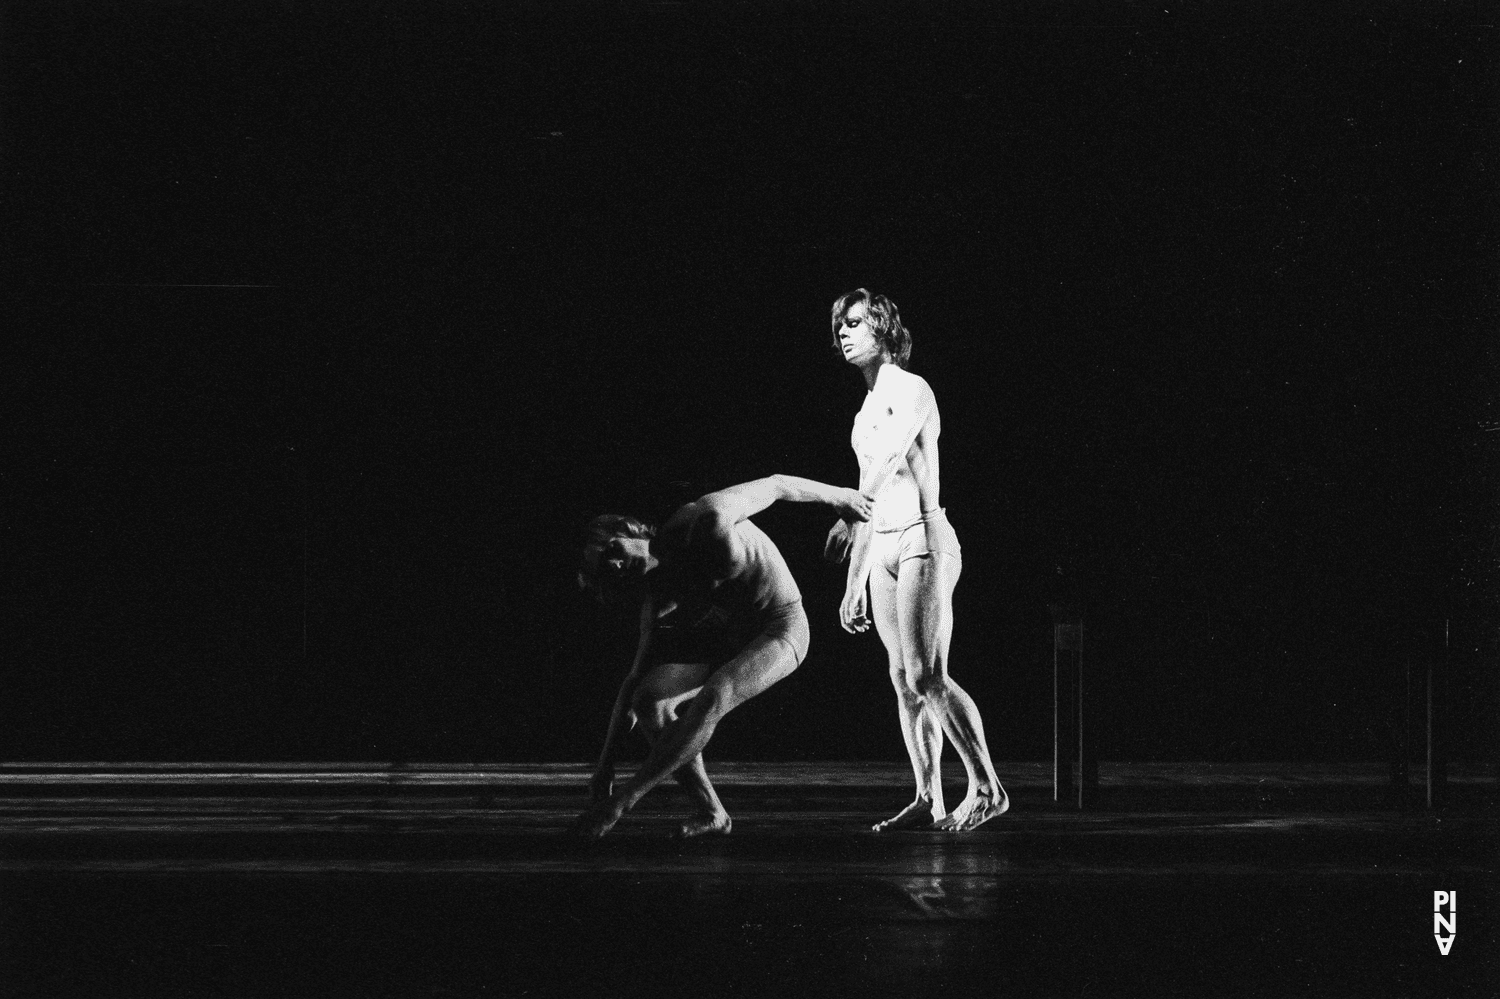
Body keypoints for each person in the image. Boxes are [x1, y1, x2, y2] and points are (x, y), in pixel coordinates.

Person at [572, 474, 873, 839]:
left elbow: (776, 485)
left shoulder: (704, 519)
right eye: (607, 568)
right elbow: (632, 681)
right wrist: (604, 768)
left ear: (630, 530)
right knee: (648, 699)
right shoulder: (661, 597)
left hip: (782, 628)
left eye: (612, 550)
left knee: (716, 694)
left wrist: (838, 496)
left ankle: (622, 804)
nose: (616, 564)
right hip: (733, 644)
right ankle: (712, 812)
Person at [824, 289, 1009, 832]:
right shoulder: (860, 414)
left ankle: (987, 787)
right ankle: (929, 797)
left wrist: (844, 506)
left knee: (929, 674)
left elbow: (885, 465)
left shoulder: (912, 388)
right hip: (881, 543)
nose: (844, 332)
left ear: (883, 330)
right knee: (901, 679)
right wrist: (854, 580)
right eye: (840, 325)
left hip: (922, 536)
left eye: (855, 323)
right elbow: (866, 498)